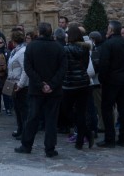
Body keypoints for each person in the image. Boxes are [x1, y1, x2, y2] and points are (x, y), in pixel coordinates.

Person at [14, 22, 67, 157]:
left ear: (39, 32)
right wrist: (51, 85)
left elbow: (28, 68)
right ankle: (50, 148)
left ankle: (26, 145)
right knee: (51, 120)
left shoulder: (31, 47)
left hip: (36, 90)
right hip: (53, 91)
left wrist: (40, 84)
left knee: (32, 118)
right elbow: (63, 69)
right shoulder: (59, 47)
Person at [96, 20, 124, 148]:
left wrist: (102, 79)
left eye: (108, 29)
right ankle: (123, 138)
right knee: (123, 109)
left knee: (107, 109)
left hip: (110, 81)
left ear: (112, 30)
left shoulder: (108, 44)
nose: (107, 31)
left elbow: (103, 64)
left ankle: (110, 139)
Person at [61, 24, 93, 149]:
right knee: (81, 112)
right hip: (83, 82)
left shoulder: (66, 49)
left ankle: (85, 133)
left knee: (68, 110)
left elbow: (64, 67)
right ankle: (81, 139)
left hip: (70, 84)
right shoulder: (85, 49)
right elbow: (85, 65)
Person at [7, 29, 29, 139]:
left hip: (21, 85)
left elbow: (25, 70)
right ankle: (20, 128)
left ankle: (25, 131)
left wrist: (21, 84)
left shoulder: (22, 52)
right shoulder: (15, 51)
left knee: (23, 109)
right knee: (17, 108)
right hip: (13, 82)